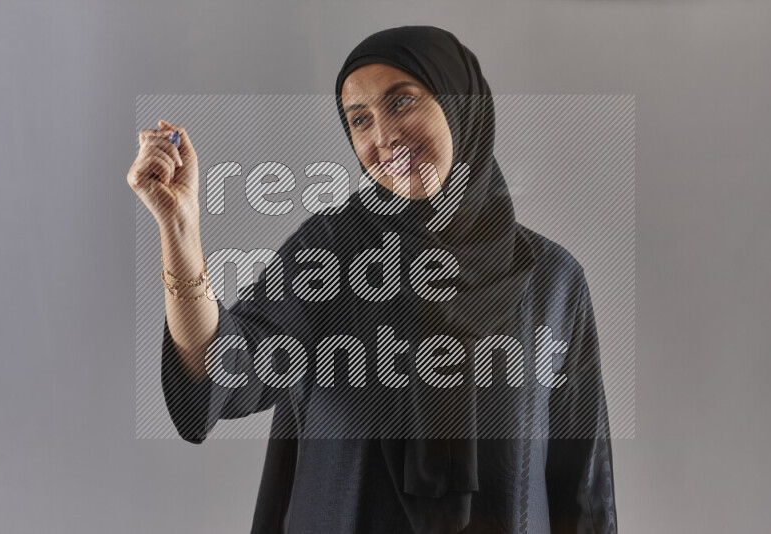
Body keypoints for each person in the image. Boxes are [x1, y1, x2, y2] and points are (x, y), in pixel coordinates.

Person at [128, 25, 617, 534]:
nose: (383, 137)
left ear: (459, 103)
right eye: (360, 120)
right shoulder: (331, 255)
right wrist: (179, 228)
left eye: (402, 102)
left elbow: (582, 493)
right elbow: (221, 371)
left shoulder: (554, 281)